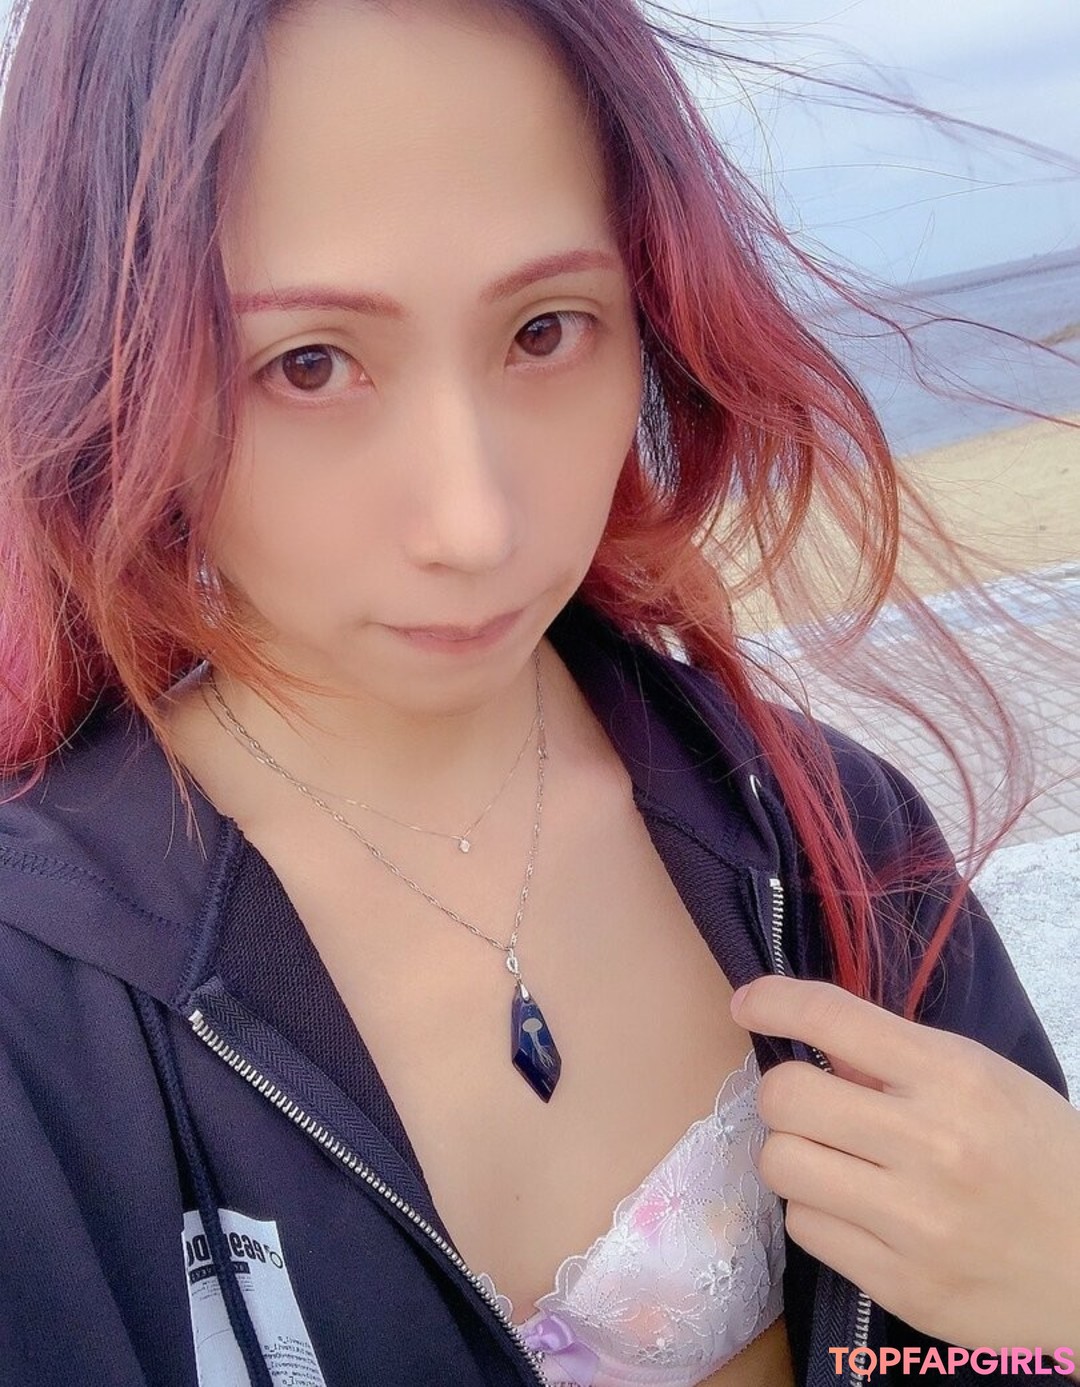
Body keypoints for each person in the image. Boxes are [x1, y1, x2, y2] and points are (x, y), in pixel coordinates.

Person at [0, 0, 1076, 1384]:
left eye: (546, 331)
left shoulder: (830, 837)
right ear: (112, 375)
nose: (476, 524)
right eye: (308, 363)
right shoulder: (44, 1017)